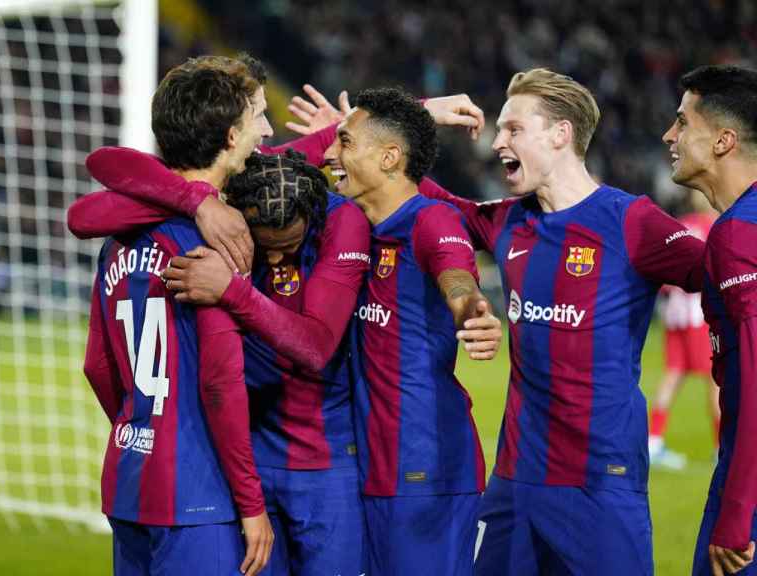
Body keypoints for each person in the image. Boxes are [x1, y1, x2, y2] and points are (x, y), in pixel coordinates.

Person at [284, 70, 706, 574]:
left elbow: (724, 274)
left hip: (601, 482)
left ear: (560, 134)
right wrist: (357, 141)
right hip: (514, 483)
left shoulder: (631, 221)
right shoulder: (507, 220)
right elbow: (411, 194)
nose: (496, 142)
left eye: (512, 129)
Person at [74, 145, 372, 574]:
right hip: (242, 460)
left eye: (288, 247)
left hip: (323, 466)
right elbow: (85, 211)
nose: (273, 260)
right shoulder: (223, 213)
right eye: (265, 247)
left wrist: (231, 289)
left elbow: (316, 347)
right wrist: (196, 199)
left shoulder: (339, 218)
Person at [81, 54, 273, 576]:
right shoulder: (214, 244)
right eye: (258, 117)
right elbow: (219, 381)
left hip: (130, 475)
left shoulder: (119, 238)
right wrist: (252, 504)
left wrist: (139, 422)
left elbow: (97, 366)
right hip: (196, 490)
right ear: (231, 137)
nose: (268, 131)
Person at [321, 86, 500, 575]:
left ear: (389, 157)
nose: (328, 153)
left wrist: (472, 313)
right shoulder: (351, 225)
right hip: (371, 466)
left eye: (343, 141)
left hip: (425, 467)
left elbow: (456, 273)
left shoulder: (430, 218)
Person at [661, 63, 757, 576]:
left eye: (682, 122)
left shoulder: (737, 235)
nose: (668, 135)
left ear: (723, 141)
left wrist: (738, 511)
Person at [648, 189, 721, 471]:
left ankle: (653, 441)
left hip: (674, 312)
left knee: (673, 374)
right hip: (699, 313)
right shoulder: (713, 227)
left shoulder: (680, 225)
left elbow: (666, 275)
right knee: (717, 380)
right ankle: (721, 448)